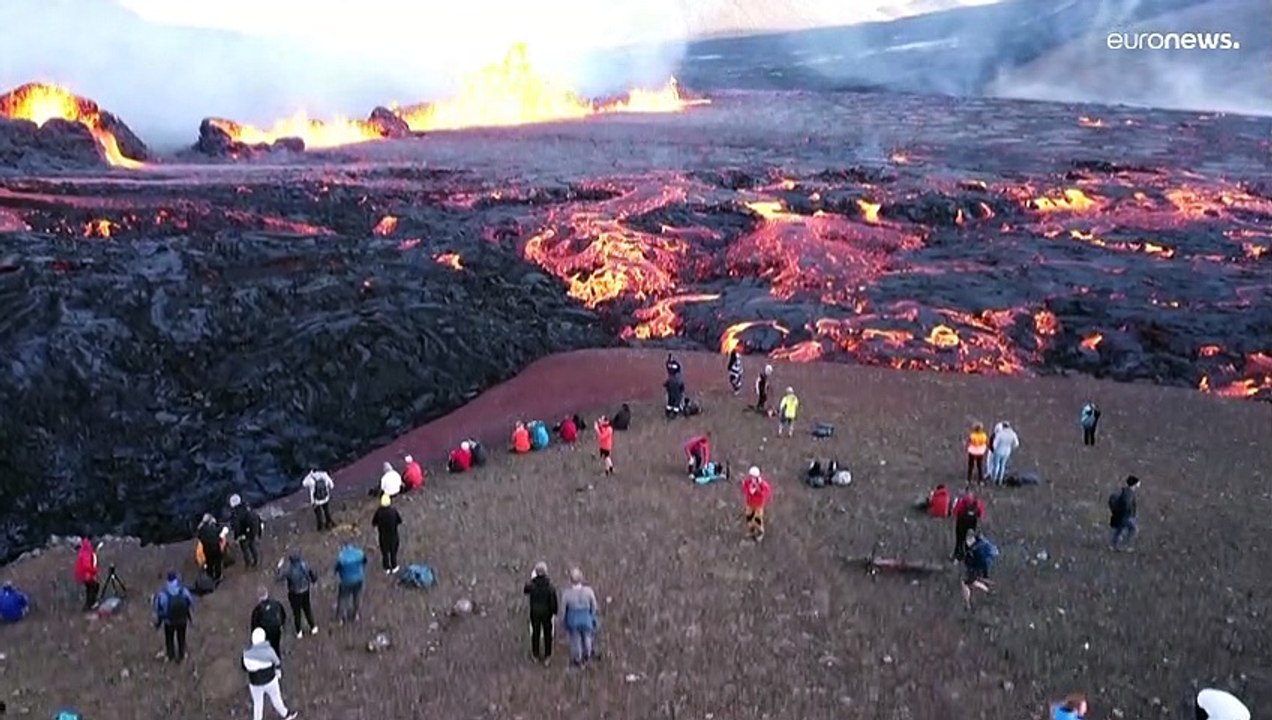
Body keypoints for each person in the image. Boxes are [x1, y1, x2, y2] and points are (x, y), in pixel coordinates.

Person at [242, 627, 297, 720]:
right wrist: (278, 672)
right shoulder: (269, 651)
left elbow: (244, 667)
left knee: (258, 705)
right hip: (270, 680)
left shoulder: (246, 654)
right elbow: (277, 662)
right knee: (276, 700)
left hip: (255, 683)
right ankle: (286, 714)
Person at [152, 571, 195, 662]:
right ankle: (181, 655)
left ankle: (170, 655)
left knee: (169, 639)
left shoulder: (162, 594)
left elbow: (157, 608)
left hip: (169, 622)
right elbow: (191, 602)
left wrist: (157, 622)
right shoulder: (183, 591)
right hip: (182, 620)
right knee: (181, 638)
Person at [560, 567, 599, 667]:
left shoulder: (567, 594)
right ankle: (588, 654)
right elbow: (594, 605)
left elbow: (563, 610)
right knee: (587, 636)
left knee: (575, 639)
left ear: (570, 580)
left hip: (573, 619)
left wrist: (563, 620)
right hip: (586, 617)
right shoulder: (588, 591)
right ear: (581, 578)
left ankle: (578, 658)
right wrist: (592, 615)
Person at [276, 552, 318, 638]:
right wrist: (312, 580)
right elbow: (313, 576)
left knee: (297, 613)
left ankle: (299, 632)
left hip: (294, 594)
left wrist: (279, 567)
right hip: (305, 590)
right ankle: (313, 627)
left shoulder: (289, 570)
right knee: (307, 610)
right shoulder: (305, 566)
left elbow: (279, 578)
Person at [523, 561, 559, 665]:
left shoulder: (532, 585)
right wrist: (554, 612)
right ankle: (547, 655)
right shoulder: (550, 587)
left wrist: (532, 579)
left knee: (535, 633)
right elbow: (553, 601)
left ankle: (535, 654)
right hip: (547, 614)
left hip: (535, 612)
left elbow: (525, 590)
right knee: (548, 634)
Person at [961, 531, 996, 609]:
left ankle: (967, 603)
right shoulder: (981, 543)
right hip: (981, 567)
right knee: (971, 581)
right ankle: (987, 589)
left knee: (966, 582)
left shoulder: (976, 548)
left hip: (978, 567)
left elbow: (978, 561)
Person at [334, 543, 367, 624]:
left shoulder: (342, 557)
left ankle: (340, 618)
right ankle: (355, 614)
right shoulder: (359, 553)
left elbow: (337, 568)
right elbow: (365, 561)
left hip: (346, 581)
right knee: (357, 597)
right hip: (359, 579)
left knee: (343, 599)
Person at [250, 586, 288, 656]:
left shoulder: (257, 610)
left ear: (259, 597)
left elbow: (254, 625)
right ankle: (277, 658)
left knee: (267, 648)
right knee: (276, 646)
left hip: (265, 633)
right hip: (276, 630)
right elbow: (283, 614)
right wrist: (282, 624)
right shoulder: (276, 603)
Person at [951, 486, 984, 561]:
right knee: (969, 540)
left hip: (961, 523)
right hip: (972, 523)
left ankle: (958, 554)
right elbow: (980, 514)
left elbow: (955, 512)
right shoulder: (978, 502)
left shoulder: (961, 501)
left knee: (959, 540)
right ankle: (969, 555)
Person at [371, 493, 403, 574]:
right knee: (393, 551)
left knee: (385, 552)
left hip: (383, 536)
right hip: (393, 535)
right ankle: (394, 566)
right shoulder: (393, 511)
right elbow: (400, 521)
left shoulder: (379, 512)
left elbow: (374, 523)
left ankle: (386, 567)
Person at [230, 494, 263, 570]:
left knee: (245, 549)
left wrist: (236, 537)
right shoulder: (247, 508)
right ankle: (256, 561)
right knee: (252, 546)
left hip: (243, 534)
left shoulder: (236, 514)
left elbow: (236, 526)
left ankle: (248, 564)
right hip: (250, 532)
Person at [1108, 475, 1140, 550]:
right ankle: (1124, 545)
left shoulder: (1126, 492)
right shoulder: (1129, 493)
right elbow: (1128, 505)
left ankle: (1114, 545)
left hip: (1121, 516)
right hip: (1126, 516)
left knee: (1119, 530)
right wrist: (1131, 514)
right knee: (1133, 529)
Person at [742, 466, 772, 541]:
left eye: (754, 477)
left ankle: (759, 532)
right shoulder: (748, 482)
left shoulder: (763, 485)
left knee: (757, 519)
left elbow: (766, 493)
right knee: (749, 517)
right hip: (750, 503)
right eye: (751, 476)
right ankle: (751, 530)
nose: (752, 479)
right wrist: (749, 491)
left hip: (758, 505)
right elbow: (744, 489)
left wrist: (758, 491)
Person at [196, 513, 225, 582]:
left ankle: (210, 576)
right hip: (215, 548)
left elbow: (200, 538)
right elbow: (222, 529)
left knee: (209, 563)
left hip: (207, 549)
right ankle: (218, 576)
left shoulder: (201, 529)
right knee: (217, 563)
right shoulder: (213, 528)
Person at [74, 537, 100, 612]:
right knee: (93, 587)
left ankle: (90, 605)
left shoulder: (86, 551)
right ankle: (90, 605)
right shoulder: (87, 552)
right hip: (87, 575)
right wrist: (94, 571)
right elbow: (87, 565)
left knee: (91, 588)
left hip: (87, 574)